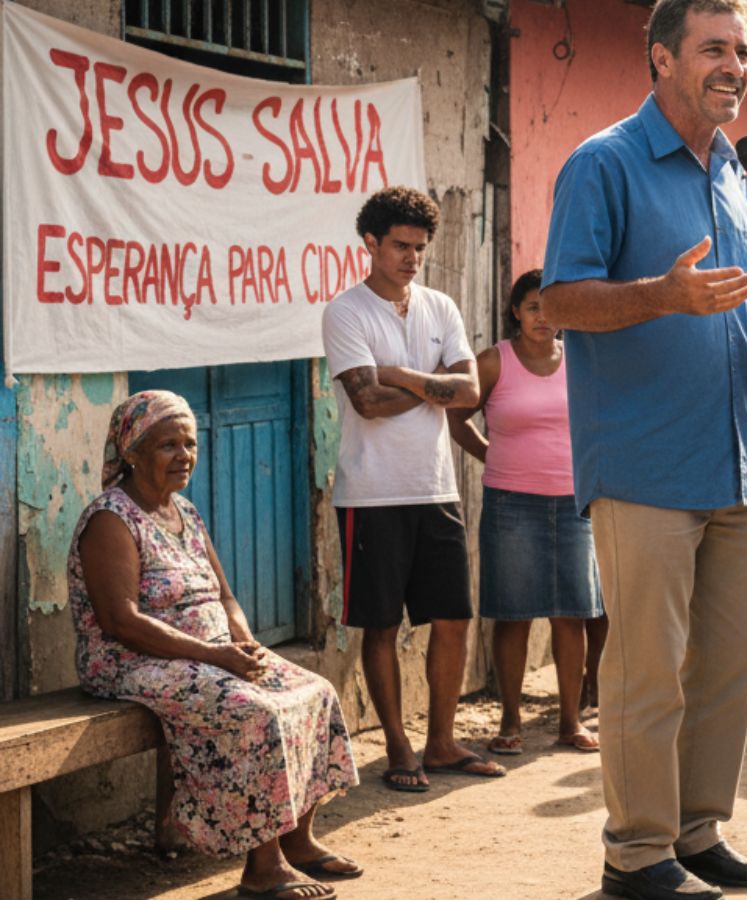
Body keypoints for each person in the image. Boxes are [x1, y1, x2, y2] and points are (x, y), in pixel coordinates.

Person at [538, 2, 747, 896]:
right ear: (661, 57)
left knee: (734, 657)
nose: (735, 66)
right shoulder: (604, 164)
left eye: (743, 52)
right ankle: (636, 853)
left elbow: (740, 313)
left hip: (735, 459)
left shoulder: (740, 179)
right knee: (646, 670)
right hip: (640, 465)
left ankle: (697, 831)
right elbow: (560, 303)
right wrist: (662, 297)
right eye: (715, 49)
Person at [70, 391, 359, 900]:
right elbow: (121, 621)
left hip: (209, 651)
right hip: (132, 660)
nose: (183, 455)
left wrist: (244, 642)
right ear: (132, 452)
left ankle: (298, 840)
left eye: (189, 443)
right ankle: (262, 869)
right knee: (252, 711)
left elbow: (224, 595)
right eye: (167, 445)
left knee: (313, 691)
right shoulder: (111, 519)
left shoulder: (184, 511)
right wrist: (213, 655)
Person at [321, 186, 505, 792]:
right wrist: (433, 385)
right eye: (400, 245)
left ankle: (442, 742)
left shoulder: (440, 307)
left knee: (453, 617)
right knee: (379, 626)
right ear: (370, 243)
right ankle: (399, 748)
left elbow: (473, 393)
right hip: (371, 494)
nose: (411, 257)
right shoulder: (346, 312)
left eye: (419, 248)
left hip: (435, 488)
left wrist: (400, 374)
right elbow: (368, 403)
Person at [447, 270, 607, 755]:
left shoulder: (579, 359)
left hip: (573, 502)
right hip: (511, 503)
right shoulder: (495, 362)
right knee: (513, 615)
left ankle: (569, 721)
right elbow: (456, 418)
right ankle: (510, 722)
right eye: (533, 306)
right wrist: (493, 456)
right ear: (515, 311)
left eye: (550, 307)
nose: (543, 317)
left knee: (571, 616)